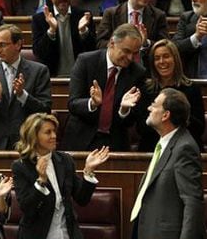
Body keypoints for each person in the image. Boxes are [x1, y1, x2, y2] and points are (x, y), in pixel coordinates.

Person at [130, 88, 207, 239]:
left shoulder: (184, 148)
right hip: (151, 237)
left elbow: (193, 199)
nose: (149, 108)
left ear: (166, 115)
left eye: (154, 105)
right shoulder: (165, 143)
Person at [11, 112, 109, 239]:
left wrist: (89, 171)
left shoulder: (65, 160)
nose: (54, 136)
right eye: (48, 132)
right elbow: (28, 208)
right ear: (34, 136)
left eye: (54, 132)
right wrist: (41, 180)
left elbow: (82, 199)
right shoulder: (21, 166)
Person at [62, 23, 145, 151]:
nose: (130, 58)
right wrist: (92, 103)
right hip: (81, 139)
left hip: (115, 142)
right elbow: (73, 104)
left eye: (134, 53)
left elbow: (132, 120)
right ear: (112, 43)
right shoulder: (86, 61)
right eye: (126, 51)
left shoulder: (137, 73)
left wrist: (124, 110)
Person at [0, 24, 52, 150]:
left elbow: (45, 110)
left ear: (18, 44)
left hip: (27, 144)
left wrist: (23, 96)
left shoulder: (39, 71)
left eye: (3, 44)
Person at [135, 39, 205, 152]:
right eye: (157, 58)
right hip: (151, 149)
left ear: (175, 59)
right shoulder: (146, 89)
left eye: (166, 56)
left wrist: (169, 114)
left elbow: (199, 128)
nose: (162, 61)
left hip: (184, 149)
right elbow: (141, 128)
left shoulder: (191, 88)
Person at [96, 0, 169, 65]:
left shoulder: (159, 16)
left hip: (146, 69)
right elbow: (100, 44)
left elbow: (165, 47)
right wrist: (122, 46)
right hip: (117, 66)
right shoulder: (111, 13)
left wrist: (146, 43)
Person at [32, 0, 96, 77]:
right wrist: (51, 31)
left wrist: (83, 31)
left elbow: (92, 49)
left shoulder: (84, 16)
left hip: (81, 76)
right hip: (51, 77)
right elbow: (39, 53)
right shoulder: (39, 19)